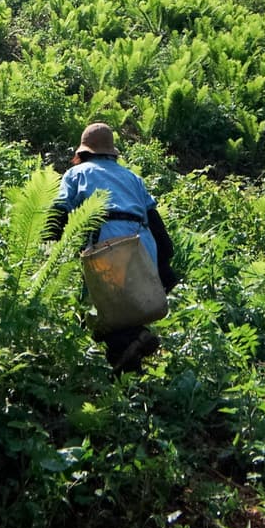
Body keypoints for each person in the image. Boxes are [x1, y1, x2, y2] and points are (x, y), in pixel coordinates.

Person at [52, 122, 177, 372]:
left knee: (102, 311)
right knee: (127, 308)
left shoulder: (77, 174)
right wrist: (164, 266)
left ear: (84, 152)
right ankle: (131, 360)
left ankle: (129, 344)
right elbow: (158, 227)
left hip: (109, 245)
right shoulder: (132, 177)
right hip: (143, 246)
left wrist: (48, 248)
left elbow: (57, 214)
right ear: (111, 153)